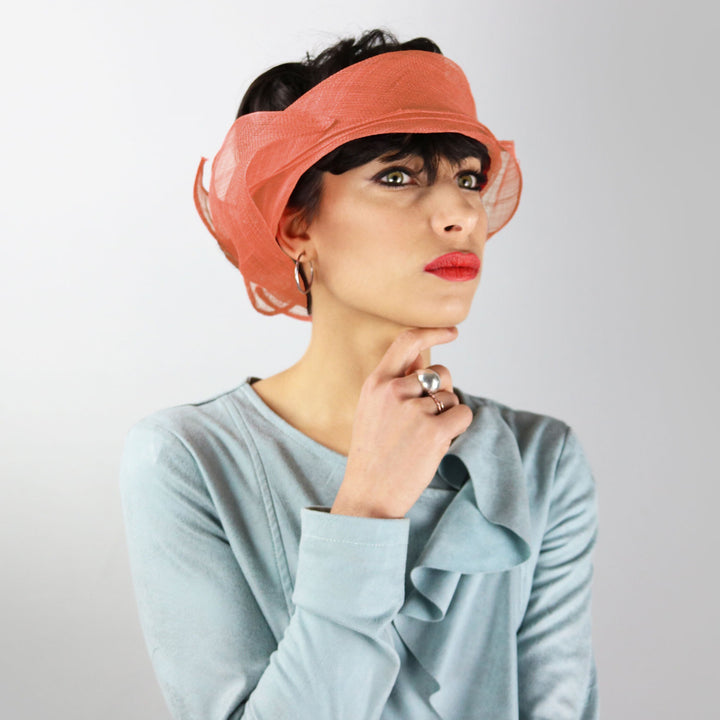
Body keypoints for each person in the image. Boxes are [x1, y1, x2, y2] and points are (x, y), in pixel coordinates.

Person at [120, 29, 598, 720]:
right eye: (397, 177)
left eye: (469, 179)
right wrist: (366, 510)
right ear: (296, 226)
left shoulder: (540, 459)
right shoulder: (187, 459)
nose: (460, 214)